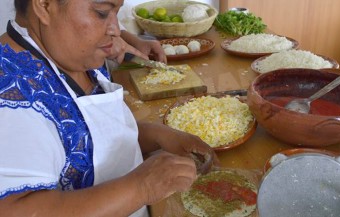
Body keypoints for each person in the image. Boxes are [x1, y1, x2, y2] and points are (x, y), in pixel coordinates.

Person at [0, 0, 217, 216]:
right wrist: (142, 187)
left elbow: (90, 135)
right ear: (44, 5)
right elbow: (15, 209)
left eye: (116, 12)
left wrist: (160, 135)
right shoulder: (11, 94)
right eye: (102, 13)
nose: (115, 30)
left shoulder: (72, 54)